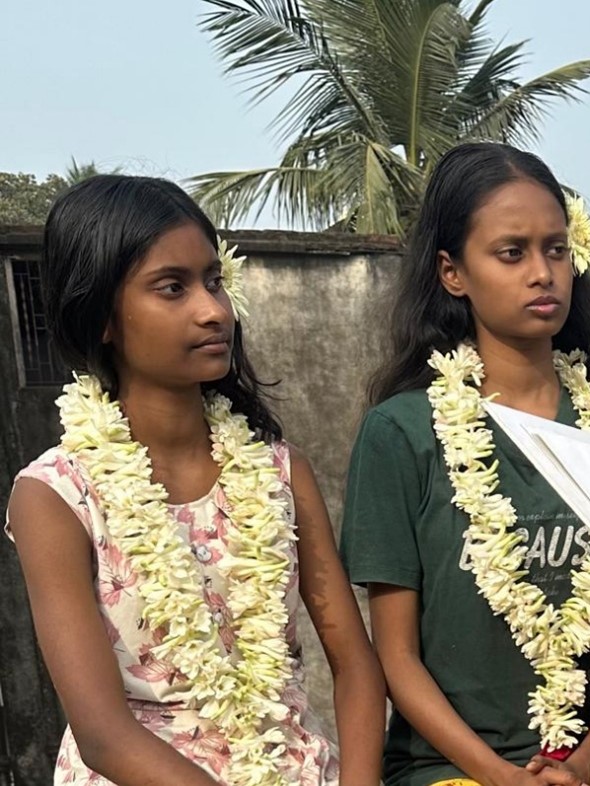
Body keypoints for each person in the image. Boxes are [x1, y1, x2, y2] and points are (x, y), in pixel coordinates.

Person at [5, 175, 385, 786]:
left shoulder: (280, 470)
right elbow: (103, 734)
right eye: (172, 288)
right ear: (101, 317)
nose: (214, 310)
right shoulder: (55, 495)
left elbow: (356, 666)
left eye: (213, 281)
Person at [341, 142, 590, 786]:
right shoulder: (401, 435)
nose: (543, 273)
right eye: (512, 253)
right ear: (452, 273)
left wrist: (586, 764)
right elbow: (396, 657)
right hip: (448, 768)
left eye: (556, 249)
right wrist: (499, 776)